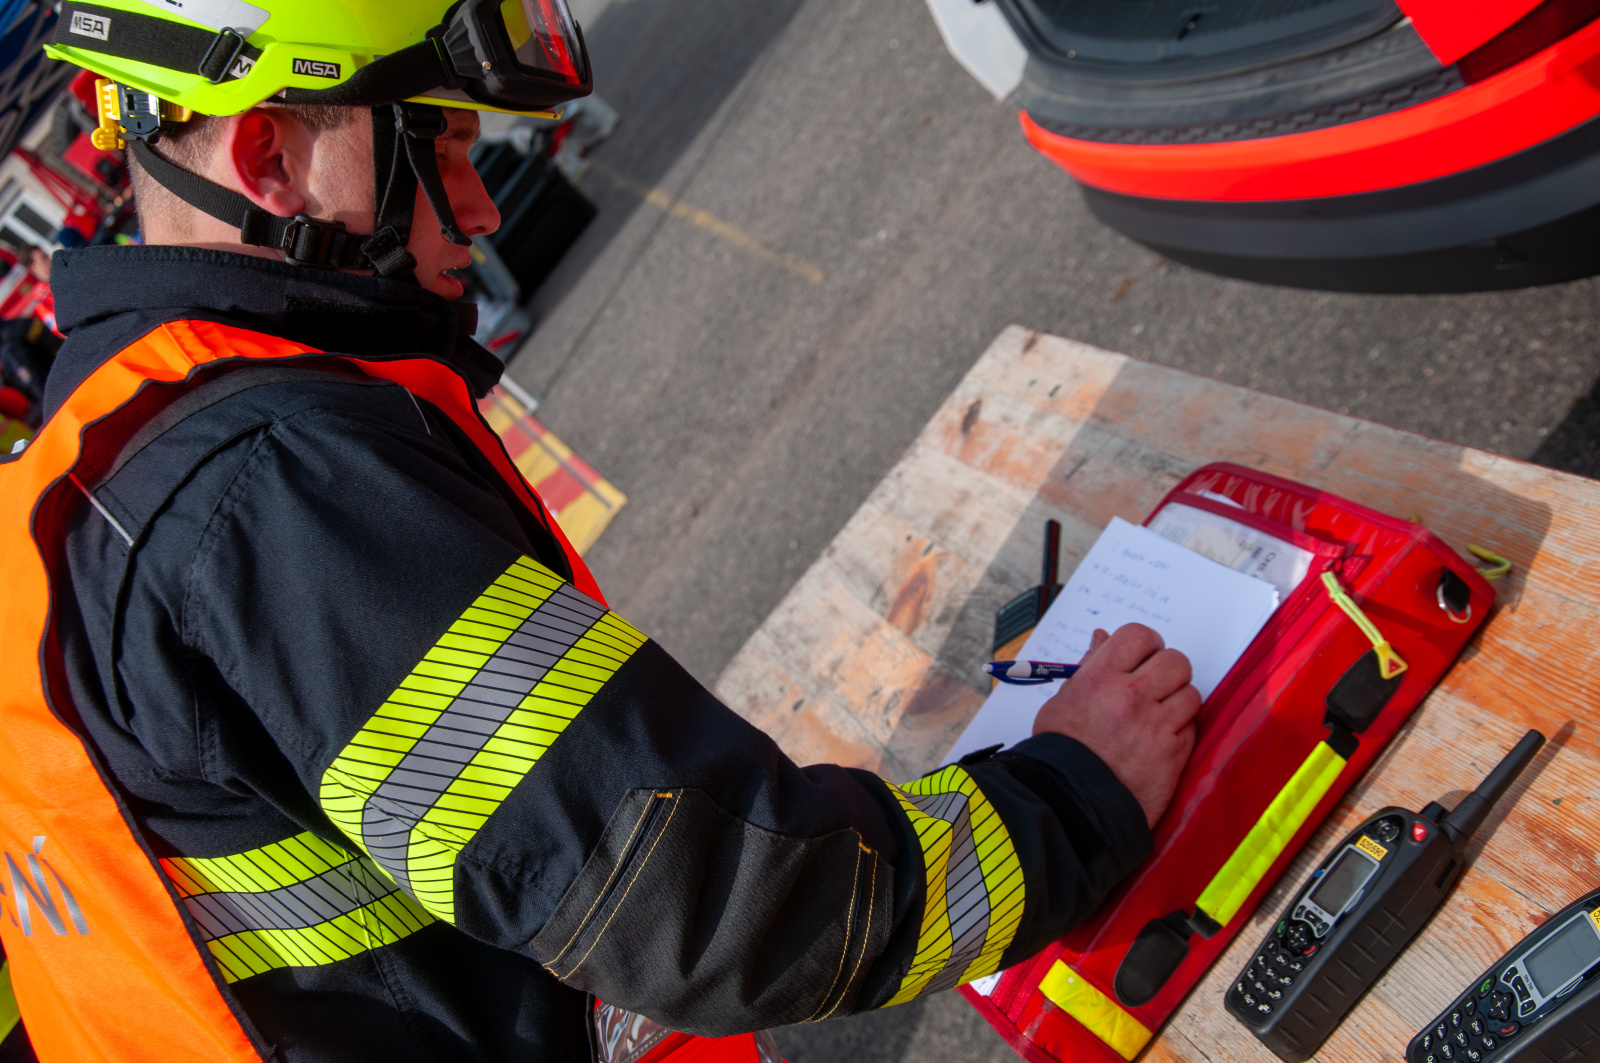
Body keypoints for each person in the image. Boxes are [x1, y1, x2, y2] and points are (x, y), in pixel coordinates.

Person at [0, 3, 1204, 1062]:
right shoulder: (274, 487)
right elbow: (707, 901)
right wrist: (1076, 795)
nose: (477, 208)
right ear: (270, 151)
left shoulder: (83, 475)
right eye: (449, 145)